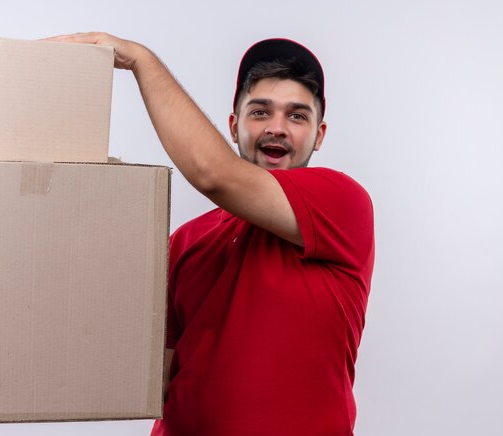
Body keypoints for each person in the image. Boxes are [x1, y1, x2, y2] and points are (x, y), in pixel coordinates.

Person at [47, 32, 375, 436]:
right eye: (260, 112)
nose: (277, 128)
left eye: (297, 115)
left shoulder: (343, 205)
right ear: (234, 126)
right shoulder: (186, 239)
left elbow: (214, 173)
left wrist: (141, 61)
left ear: (319, 134)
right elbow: (161, 379)